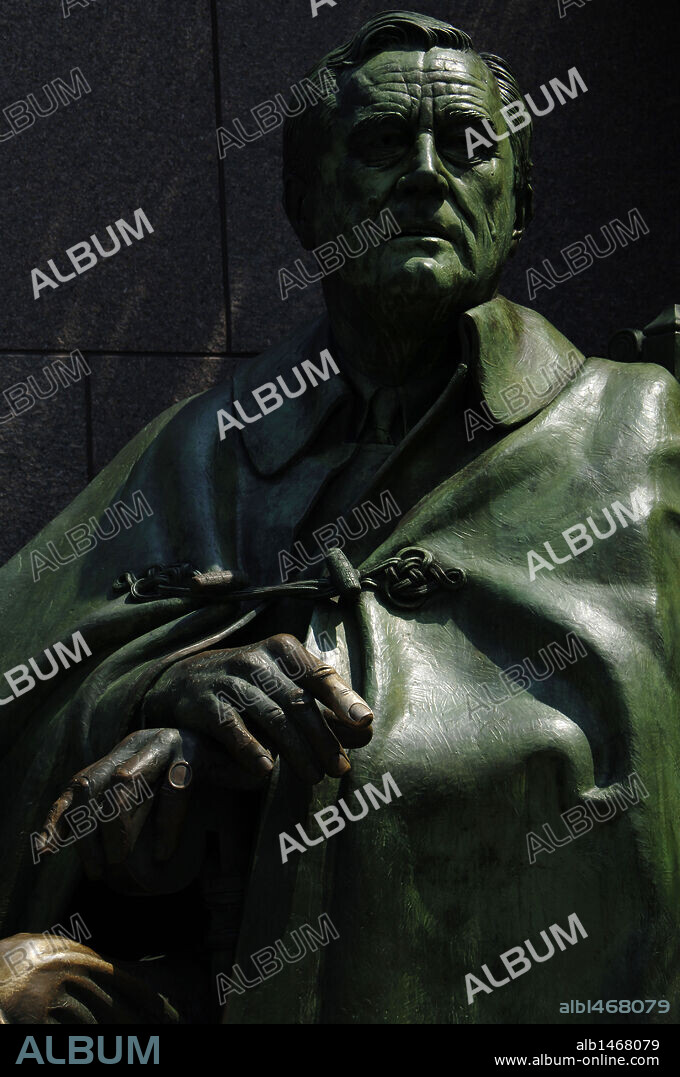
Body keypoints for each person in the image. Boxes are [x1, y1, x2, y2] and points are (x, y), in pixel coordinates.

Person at [0, 11, 677, 1024]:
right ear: (308, 203)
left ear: (518, 199)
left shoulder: (644, 428)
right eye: (377, 145)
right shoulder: (206, 447)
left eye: (467, 146)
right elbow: (26, 669)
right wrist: (145, 698)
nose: (423, 174)